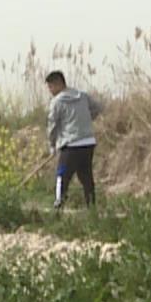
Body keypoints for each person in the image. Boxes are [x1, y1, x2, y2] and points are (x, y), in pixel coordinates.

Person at [45, 71, 103, 208]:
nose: (50, 91)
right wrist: (87, 120)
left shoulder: (57, 102)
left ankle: (58, 205)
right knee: (86, 176)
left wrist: (52, 145)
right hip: (88, 143)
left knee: (62, 175)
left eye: (50, 87)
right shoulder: (82, 96)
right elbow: (98, 108)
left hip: (71, 145)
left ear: (58, 84)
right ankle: (92, 208)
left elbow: (52, 125)